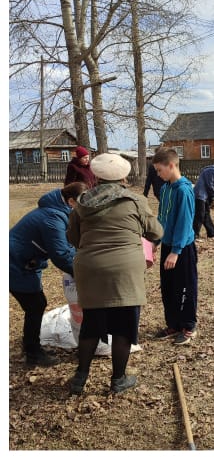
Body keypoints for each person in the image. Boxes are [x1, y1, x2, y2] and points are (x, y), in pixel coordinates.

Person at [67, 154, 163, 395]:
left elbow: (73, 238)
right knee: (123, 327)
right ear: (123, 176)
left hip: (90, 268)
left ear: (97, 176)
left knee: (91, 325)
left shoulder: (82, 202)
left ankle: (80, 378)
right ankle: (118, 379)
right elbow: (156, 232)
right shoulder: (135, 200)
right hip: (125, 270)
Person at [9, 183, 85, 368]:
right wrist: (83, 275)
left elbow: (66, 245)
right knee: (36, 304)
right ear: (71, 201)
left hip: (25, 262)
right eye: (82, 203)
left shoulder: (58, 212)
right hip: (14, 263)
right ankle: (33, 352)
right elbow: (60, 254)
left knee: (35, 304)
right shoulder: (52, 217)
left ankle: (31, 346)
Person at [152, 147, 198, 346]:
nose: (158, 174)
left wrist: (176, 252)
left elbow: (184, 222)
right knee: (169, 287)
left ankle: (188, 326)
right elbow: (162, 218)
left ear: (171, 165)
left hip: (182, 249)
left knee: (185, 287)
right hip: (167, 245)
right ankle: (173, 324)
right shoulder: (165, 189)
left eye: (159, 169)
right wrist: (155, 241)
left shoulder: (184, 190)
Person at [193, 161, 214, 238]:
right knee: (200, 215)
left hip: (205, 197)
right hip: (200, 195)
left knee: (206, 214)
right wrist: (213, 196)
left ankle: (212, 233)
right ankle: (193, 234)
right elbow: (209, 184)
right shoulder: (213, 170)